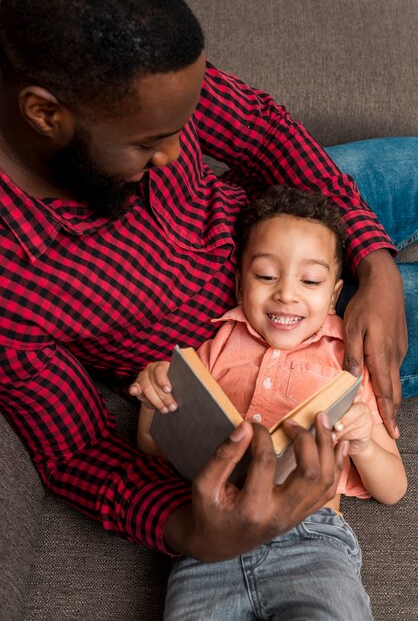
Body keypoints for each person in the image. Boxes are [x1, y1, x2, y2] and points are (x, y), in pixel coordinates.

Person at [0, 0, 414, 562]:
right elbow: (78, 452)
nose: (175, 154)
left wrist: (373, 259)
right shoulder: (10, 282)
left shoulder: (141, 70)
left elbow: (261, 130)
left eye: (178, 130)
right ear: (45, 115)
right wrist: (188, 529)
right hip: (297, 343)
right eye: (148, 143)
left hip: (293, 219)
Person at [133, 185, 407, 620]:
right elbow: (152, 444)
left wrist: (364, 442)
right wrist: (155, 392)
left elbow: (394, 490)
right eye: (265, 276)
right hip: (210, 543)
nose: (285, 293)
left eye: (310, 280)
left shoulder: (346, 368)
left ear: (333, 295)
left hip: (312, 542)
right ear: (241, 285)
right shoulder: (216, 347)